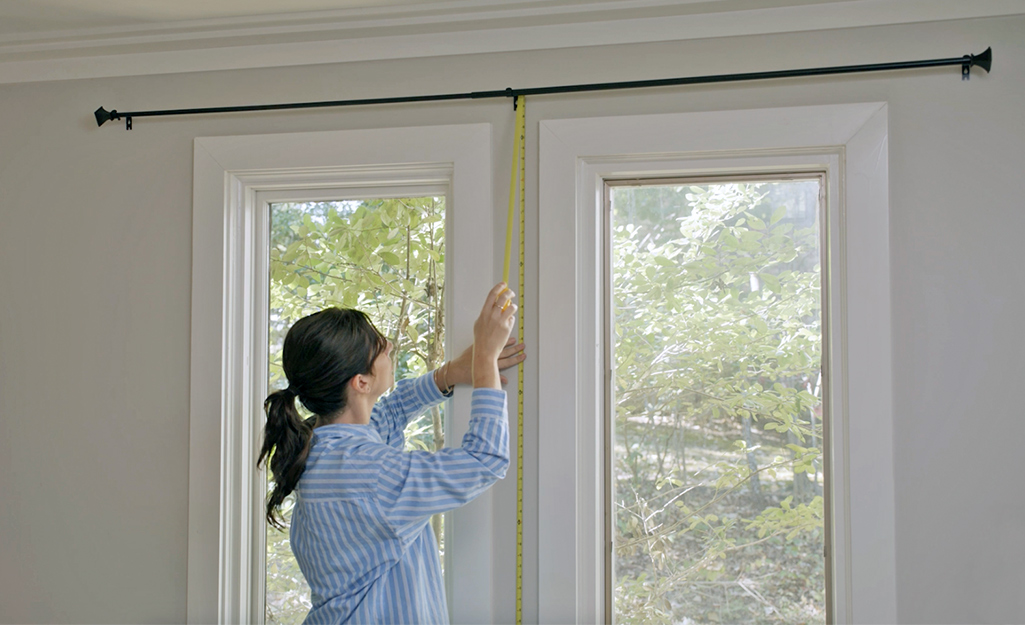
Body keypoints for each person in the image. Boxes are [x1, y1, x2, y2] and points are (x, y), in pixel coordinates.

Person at [258, 282, 524, 624]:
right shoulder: (368, 473)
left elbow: (391, 411)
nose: (390, 344)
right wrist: (485, 361)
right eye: (379, 347)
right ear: (361, 383)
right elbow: (482, 460)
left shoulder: (321, 444)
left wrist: (450, 373)